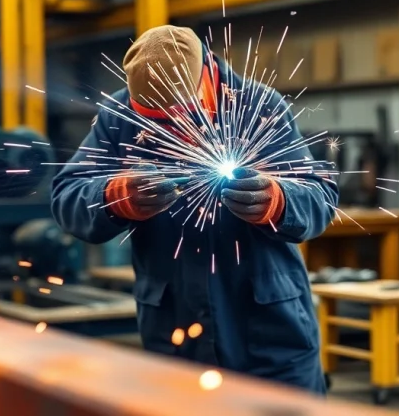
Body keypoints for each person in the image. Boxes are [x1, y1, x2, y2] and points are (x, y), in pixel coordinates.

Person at [51, 25, 337, 394]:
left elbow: (320, 196)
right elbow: (67, 195)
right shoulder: (119, 116)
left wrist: (278, 201)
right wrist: (114, 195)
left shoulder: (258, 106)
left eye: (176, 115)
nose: (171, 130)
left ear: (204, 78)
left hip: (267, 330)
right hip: (175, 331)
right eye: (157, 120)